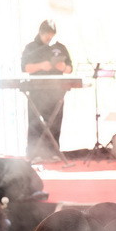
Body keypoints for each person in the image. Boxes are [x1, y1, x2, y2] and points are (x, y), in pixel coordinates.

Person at [21, 20, 73, 159]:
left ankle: (53, 152)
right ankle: (34, 153)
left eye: (52, 36)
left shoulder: (59, 47)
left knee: (55, 121)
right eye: (47, 36)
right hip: (37, 91)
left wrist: (63, 67)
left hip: (56, 91)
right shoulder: (30, 47)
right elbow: (25, 68)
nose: (49, 39)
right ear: (41, 33)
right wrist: (41, 66)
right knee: (35, 122)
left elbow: (70, 68)